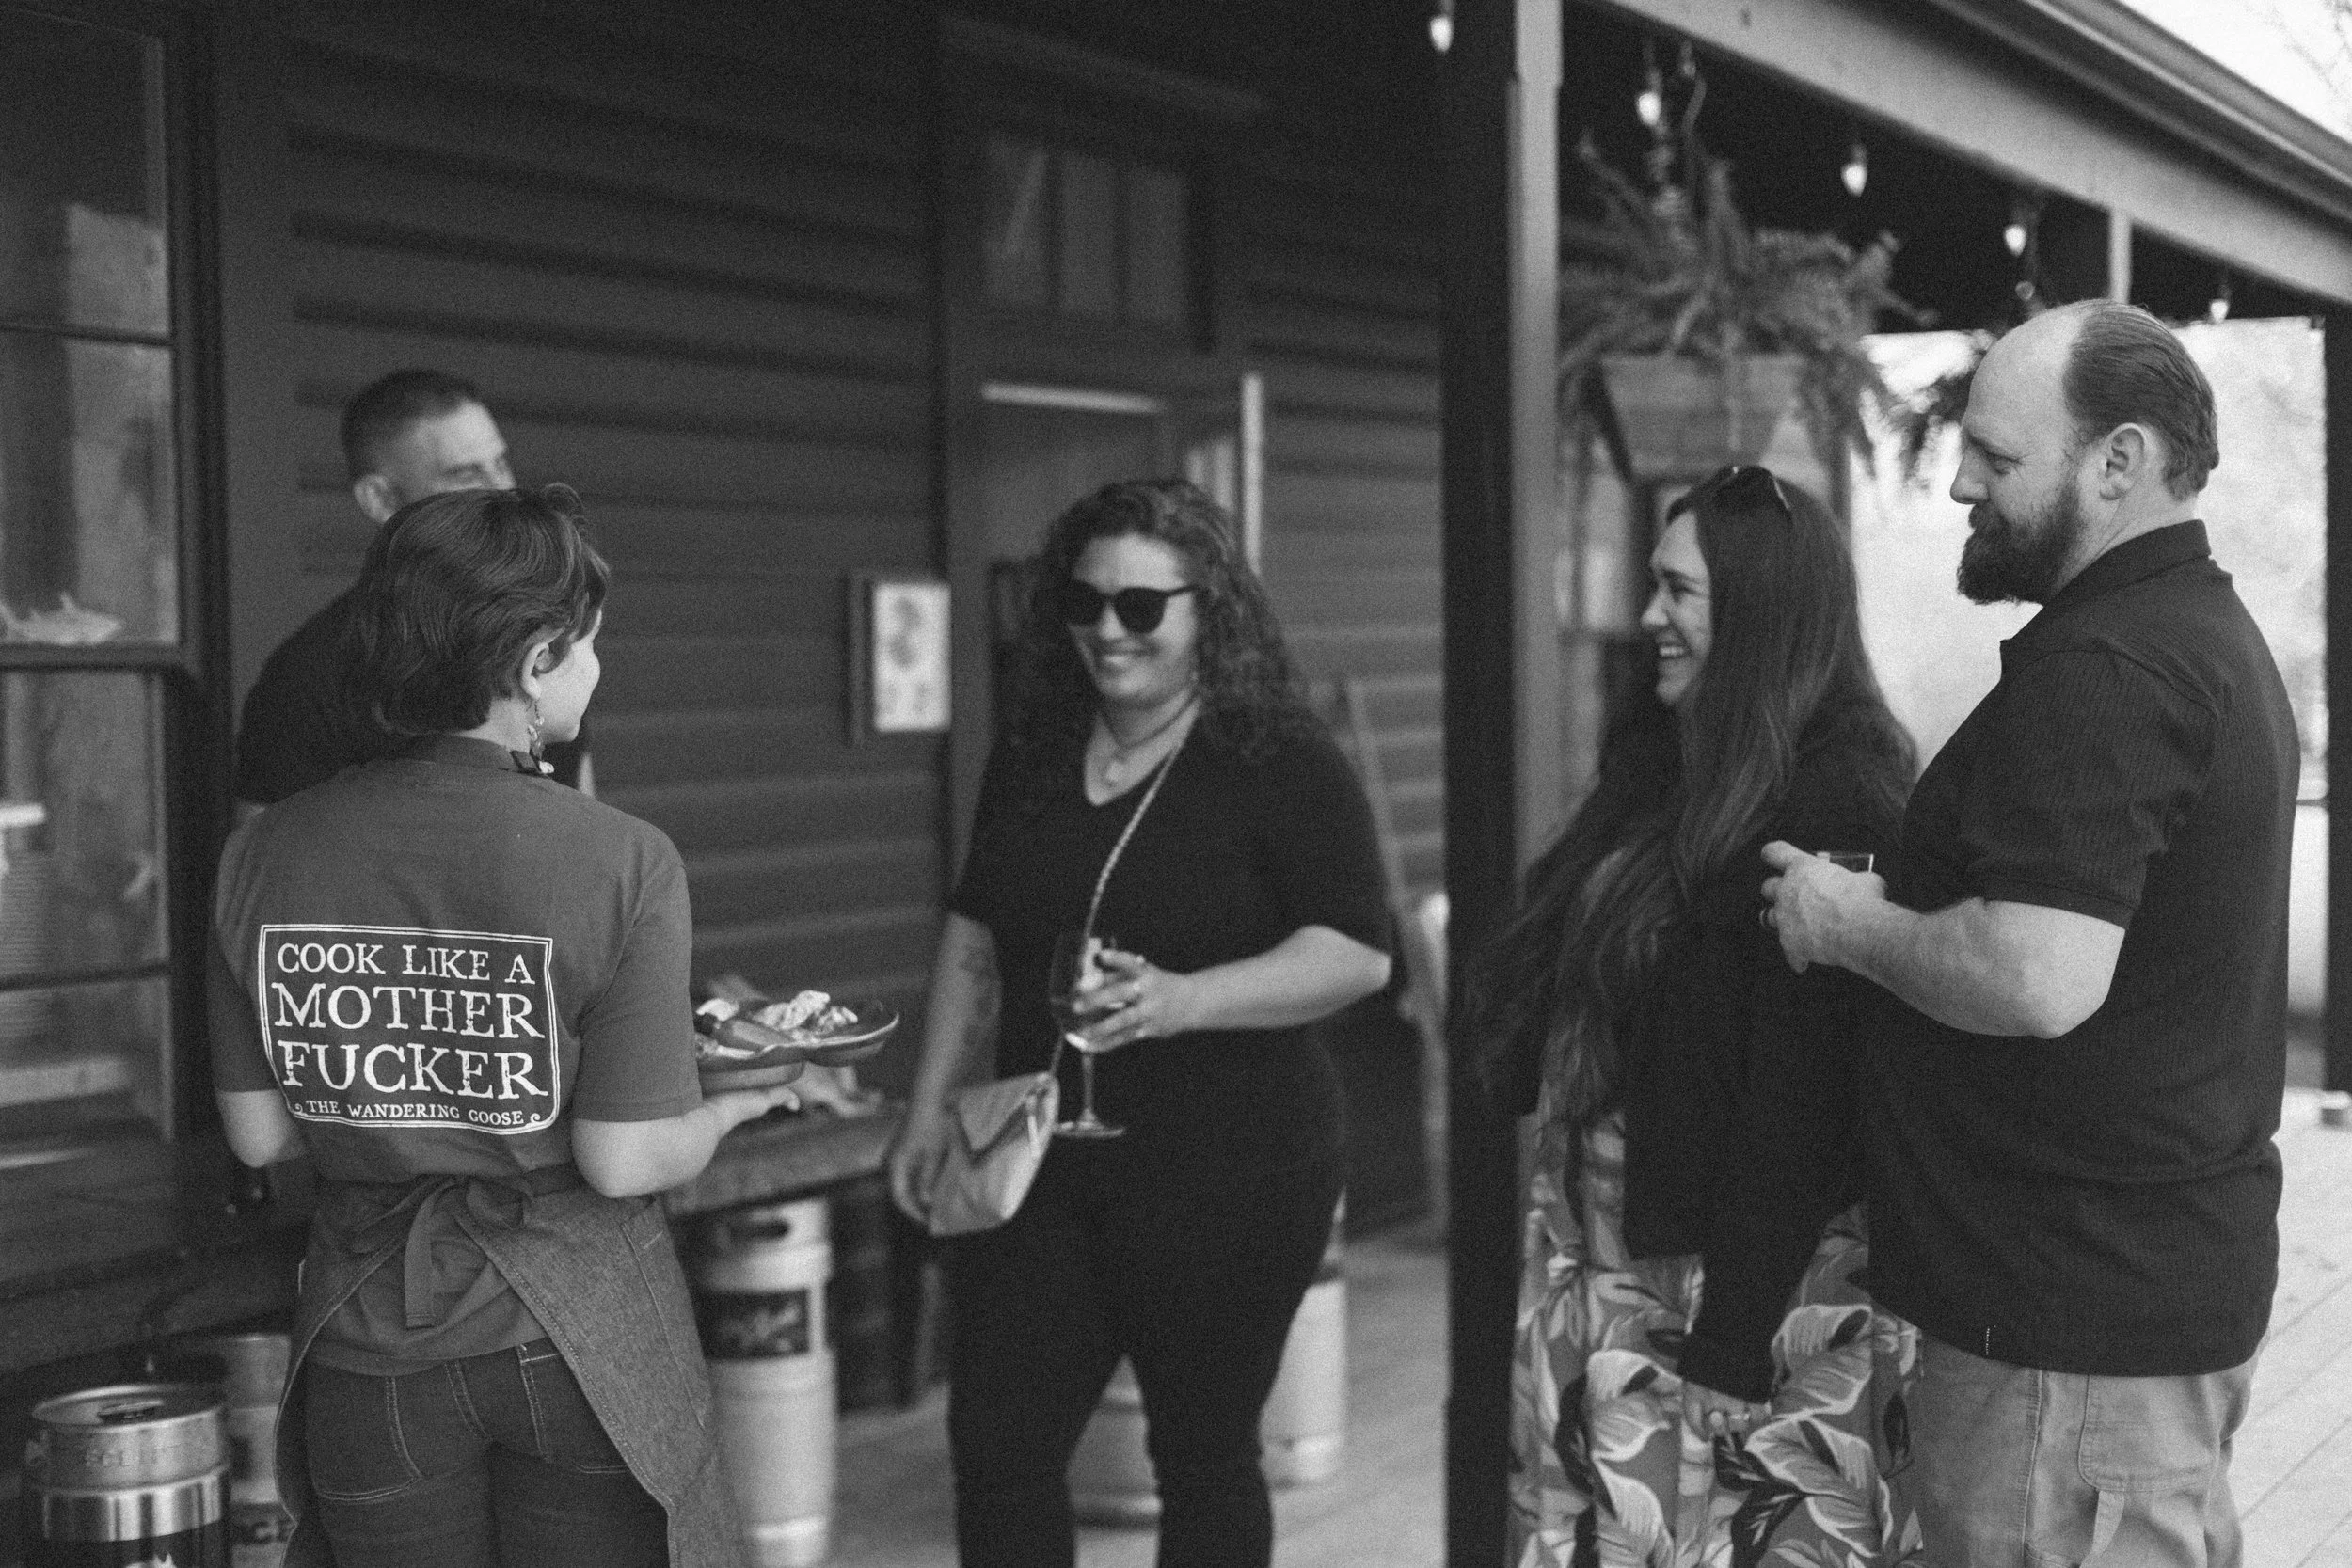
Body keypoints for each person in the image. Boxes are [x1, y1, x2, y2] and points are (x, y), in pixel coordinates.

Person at [1764, 300, 2296, 1567]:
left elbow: (2036, 971)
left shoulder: (2112, 667)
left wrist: (1848, 923)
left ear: (2119, 462)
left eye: (1995, 456)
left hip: (2070, 1345)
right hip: (2110, 1317)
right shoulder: (2188, 635)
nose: (1959, 482)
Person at [211, 486, 789, 1568]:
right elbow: (624, 1155)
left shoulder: (261, 851)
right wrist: (733, 1105)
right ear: (533, 662)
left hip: (366, 1341)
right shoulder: (621, 858)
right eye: (589, 644)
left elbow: (259, 1134)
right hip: (577, 1336)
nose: (596, 667)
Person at [883, 480, 1391, 1568]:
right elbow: (974, 936)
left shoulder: (1277, 755)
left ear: (1211, 610)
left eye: (1142, 606)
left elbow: (1357, 949)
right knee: (998, 1445)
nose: (1108, 629)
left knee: (1201, 1456)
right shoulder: (1033, 748)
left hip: (1233, 1166)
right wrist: (925, 1110)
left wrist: (1184, 998)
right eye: (1084, 600)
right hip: (1037, 1155)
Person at [1476, 465, 1919, 1565]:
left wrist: (1728, 1338)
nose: (1647, 616)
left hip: (1750, 1289)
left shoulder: (1838, 795)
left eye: (1678, 591)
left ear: (1760, 612)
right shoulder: (1671, 760)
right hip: (1610, 1259)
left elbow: (1805, 1097)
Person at [233, 369, 592, 807]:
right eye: (465, 475)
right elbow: (264, 846)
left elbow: (586, 811)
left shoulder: (545, 632)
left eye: (501, 464)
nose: (504, 491)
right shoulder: (305, 677)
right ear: (380, 500)